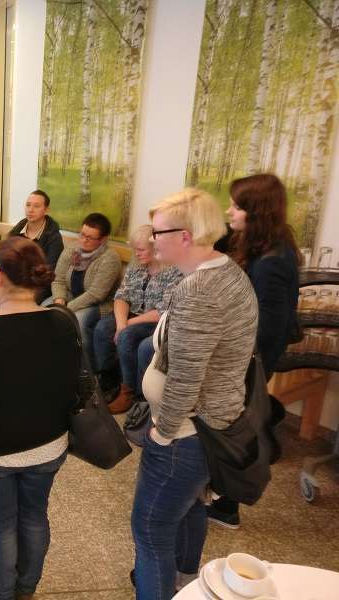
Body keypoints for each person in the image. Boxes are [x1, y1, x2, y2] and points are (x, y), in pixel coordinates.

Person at [132, 188, 257, 600]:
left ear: (184, 236)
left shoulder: (200, 290)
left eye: (158, 232)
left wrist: (162, 433)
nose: (153, 239)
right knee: (189, 508)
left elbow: (186, 377)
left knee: (150, 530)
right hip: (208, 428)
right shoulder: (225, 271)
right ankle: (185, 581)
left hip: (185, 434)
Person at [0, 236, 81, 600]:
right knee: (34, 516)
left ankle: (1, 593)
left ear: (0, 276)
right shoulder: (63, 323)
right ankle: (26, 589)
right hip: (49, 444)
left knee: (0, 524)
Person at [207, 173, 301, 530]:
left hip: (251, 360)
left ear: (257, 212)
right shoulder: (261, 244)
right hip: (245, 357)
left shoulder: (272, 261)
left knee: (237, 432)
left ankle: (227, 506)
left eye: (236, 206)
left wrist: (228, 355)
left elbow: (268, 329)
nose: (228, 210)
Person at [92, 224, 183, 414]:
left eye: (141, 249)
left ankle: (129, 391)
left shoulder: (174, 271)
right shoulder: (135, 267)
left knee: (127, 336)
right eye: (134, 249)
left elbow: (164, 309)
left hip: (156, 320)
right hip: (132, 314)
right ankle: (109, 382)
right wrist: (121, 324)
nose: (136, 253)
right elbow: (122, 296)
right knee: (102, 329)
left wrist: (127, 325)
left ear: (155, 248)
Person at [51, 212, 122, 361]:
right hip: (71, 296)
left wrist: (66, 309)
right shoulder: (72, 249)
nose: (83, 240)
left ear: (103, 239)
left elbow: (96, 294)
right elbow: (58, 280)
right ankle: (55, 358)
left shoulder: (110, 259)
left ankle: (87, 366)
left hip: (99, 304)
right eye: (82, 234)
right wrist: (59, 300)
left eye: (90, 238)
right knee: (45, 310)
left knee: (78, 320)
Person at [8, 189, 64, 303]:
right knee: (2, 296)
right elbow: (6, 257)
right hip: (17, 280)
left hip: (40, 285)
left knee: (20, 302)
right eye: (28, 205)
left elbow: (49, 272)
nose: (30, 210)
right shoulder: (17, 230)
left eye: (36, 206)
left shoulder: (54, 237)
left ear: (46, 210)